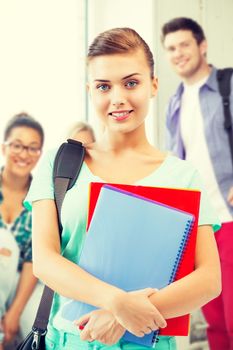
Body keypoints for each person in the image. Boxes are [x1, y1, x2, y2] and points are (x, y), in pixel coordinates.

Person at [25, 27, 221, 350]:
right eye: (104, 86)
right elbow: (46, 261)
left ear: (153, 85)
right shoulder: (58, 164)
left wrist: (120, 316)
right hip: (71, 341)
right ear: (91, 91)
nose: (118, 98)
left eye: (131, 82)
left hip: (149, 342)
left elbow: (208, 279)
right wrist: (117, 302)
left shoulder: (183, 175)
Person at [161, 17, 233, 350]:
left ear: (202, 46)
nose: (178, 53)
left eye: (184, 45)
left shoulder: (227, 86)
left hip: (230, 217)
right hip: (201, 224)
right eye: (171, 48)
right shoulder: (174, 103)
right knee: (214, 321)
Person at [0, 112, 44, 349]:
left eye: (32, 148)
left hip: (23, 285)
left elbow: (34, 259)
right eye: (17, 145)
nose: (24, 154)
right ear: (4, 147)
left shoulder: (42, 198)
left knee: (39, 319)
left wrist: (14, 313)